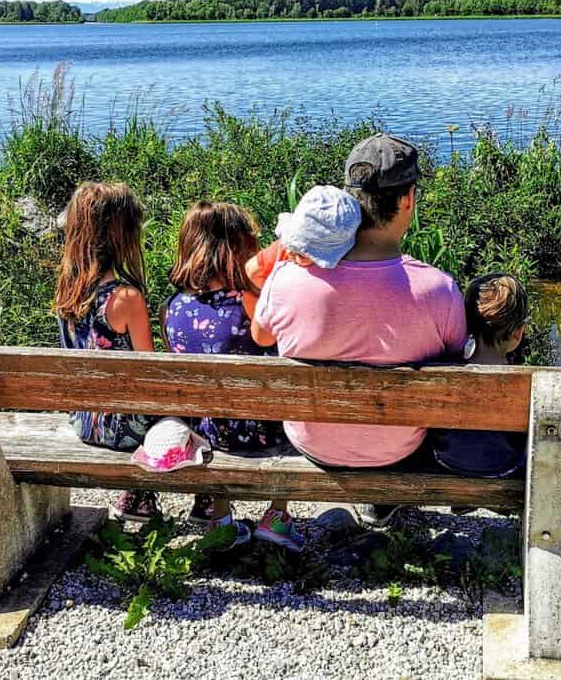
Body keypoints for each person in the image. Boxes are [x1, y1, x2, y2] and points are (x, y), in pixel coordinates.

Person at [253, 133, 466, 524]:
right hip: (397, 450)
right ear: (408, 200)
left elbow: (262, 337)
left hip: (311, 442)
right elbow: (455, 363)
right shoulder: (439, 289)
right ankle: (382, 499)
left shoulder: (285, 279)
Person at [163, 201, 305, 551]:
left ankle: (221, 519)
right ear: (238, 248)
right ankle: (277, 517)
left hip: (209, 435)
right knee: (288, 398)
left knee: (210, 404)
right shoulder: (250, 301)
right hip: (263, 433)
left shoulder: (173, 307)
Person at [54, 182, 160, 525]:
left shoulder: (68, 289)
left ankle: (138, 498)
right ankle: (144, 498)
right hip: (122, 429)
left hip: (84, 420)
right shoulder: (126, 298)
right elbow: (151, 372)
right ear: (123, 237)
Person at [429, 273, 529, 480]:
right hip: (505, 467)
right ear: (518, 333)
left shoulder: (442, 374)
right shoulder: (527, 383)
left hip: (448, 462)